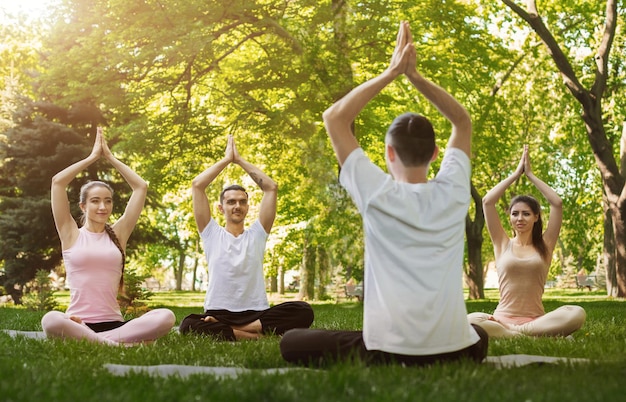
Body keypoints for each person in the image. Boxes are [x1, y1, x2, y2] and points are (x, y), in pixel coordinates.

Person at [280, 21, 488, 366]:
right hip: (454, 352)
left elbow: (335, 118)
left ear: (389, 153)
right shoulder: (454, 192)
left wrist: (393, 72)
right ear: (436, 153)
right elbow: (462, 121)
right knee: (478, 334)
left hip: (386, 352)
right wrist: (416, 78)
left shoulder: (375, 192)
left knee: (292, 342)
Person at [41, 127, 176, 345]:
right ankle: (116, 344)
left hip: (115, 323)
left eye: (108, 200)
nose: (103, 206)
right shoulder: (70, 233)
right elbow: (58, 182)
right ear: (83, 206)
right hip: (78, 322)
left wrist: (110, 157)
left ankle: (95, 341)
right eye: (95, 200)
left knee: (166, 317)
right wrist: (92, 157)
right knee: (50, 320)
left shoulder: (118, 234)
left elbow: (140, 187)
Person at [179, 135, 314, 341]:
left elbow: (271, 187)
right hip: (218, 311)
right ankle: (253, 334)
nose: (237, 206)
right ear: (221, 207)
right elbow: (197, 185)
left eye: (242, 202)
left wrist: (240, 160)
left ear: (248, 207)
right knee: (188, 325)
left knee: (303, 310)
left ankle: (232, 330)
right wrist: (226, 160)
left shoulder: (257, 234)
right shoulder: (210, 233)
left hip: (256, 312)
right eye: (231, 202)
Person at [467, 145, 586, 338]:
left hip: (535, 320)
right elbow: (488, 201)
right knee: (469, 320)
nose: (520, 218)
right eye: (515, 214)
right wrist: (515, 174)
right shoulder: (502, 243)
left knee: (577, 313)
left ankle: (515, 333)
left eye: (526, 214)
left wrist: (530, 174)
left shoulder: (545, 245)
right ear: (510, 218)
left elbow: (557, 203)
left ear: (536, 217)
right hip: (500, 319)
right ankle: (531, 333)